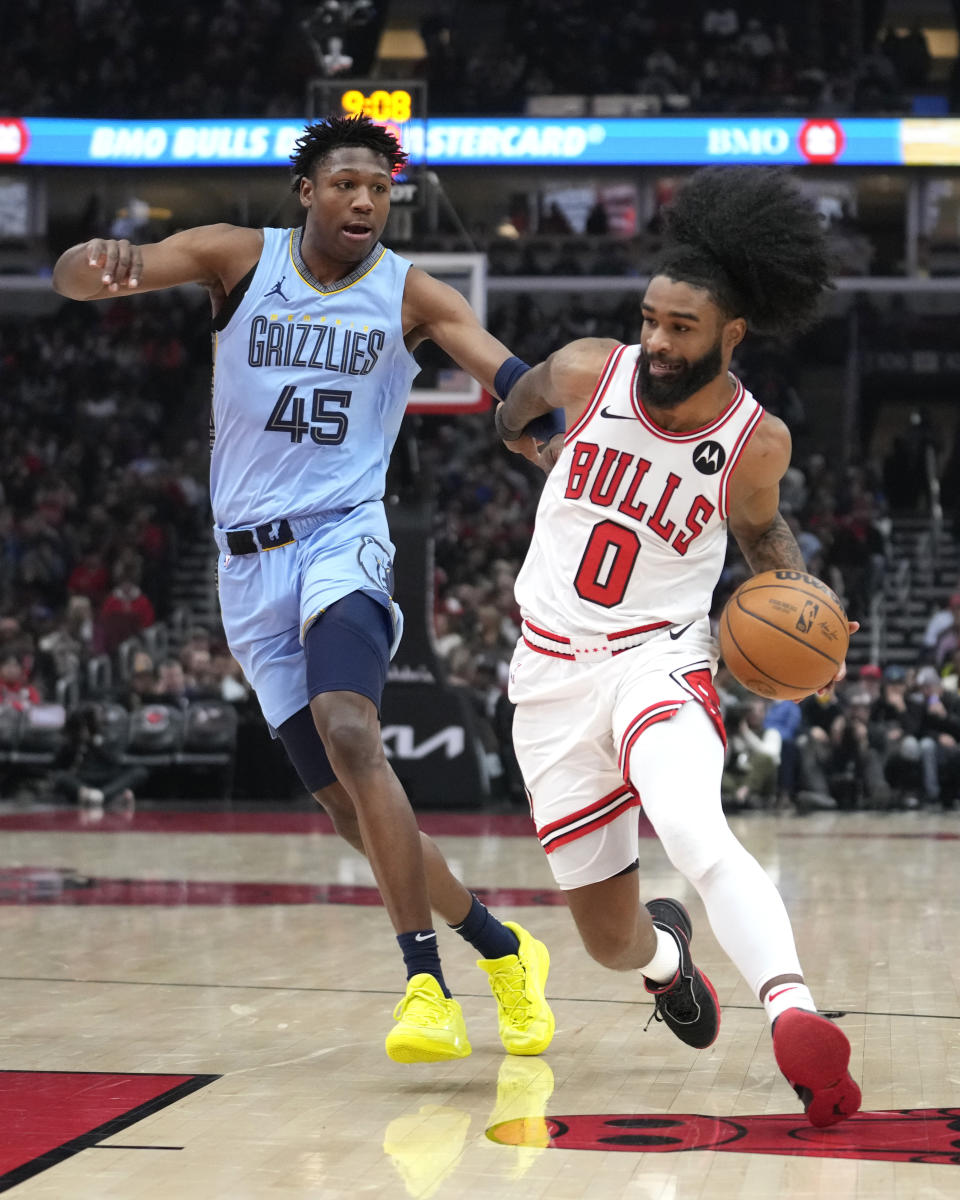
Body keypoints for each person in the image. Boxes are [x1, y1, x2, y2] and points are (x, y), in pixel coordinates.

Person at [52, 114, 554, 1065]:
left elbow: (501, 369)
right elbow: (88, 278)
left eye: (379, 187)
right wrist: (94, 262)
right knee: (345, 807)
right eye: (348, 183)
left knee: (353, 727)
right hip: (246, 568)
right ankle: (502, 947)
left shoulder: (413, 292)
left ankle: (424, 985)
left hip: (344, 536)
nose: (365, 199)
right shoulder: (238, 258)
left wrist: (545, 416)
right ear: (309, 194)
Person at [495, 166, 861, 1128]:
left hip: (660, 657)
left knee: (697, 831)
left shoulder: (756, 440)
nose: (656, 341)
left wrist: (801, 593)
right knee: (608, 942)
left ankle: (795, 1015)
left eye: (680, 328)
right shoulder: (586, 369)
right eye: (650, 319)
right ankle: (666, 959)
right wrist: (543, 450)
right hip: (547, 676)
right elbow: (513, 409)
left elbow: (762, 539)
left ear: (730, 334)